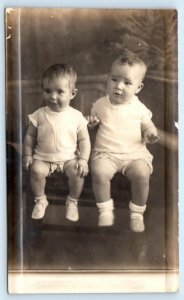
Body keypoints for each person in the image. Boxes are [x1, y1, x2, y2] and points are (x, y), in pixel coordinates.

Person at [87, 49, 159, 232]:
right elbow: (90, 124)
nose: (119, 86)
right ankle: (105, 209)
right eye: (114, 80)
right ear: (108, 79)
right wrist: (92, 124)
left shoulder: (139, 108)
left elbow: (148, 126)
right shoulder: (100, 104)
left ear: (138, 88)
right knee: (98, 171)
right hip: (106, 154)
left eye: (127, 83)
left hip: (133, 155)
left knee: (142, 174)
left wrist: (150, 134)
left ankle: (137, 212)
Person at [23, 63, 91, 221]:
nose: (53, 96)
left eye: (60, 92)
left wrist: (83, 160)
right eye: (48, 91)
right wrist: (28, 155)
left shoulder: (76, 116)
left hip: (68, 158)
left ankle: (72, 201)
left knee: (77, 173)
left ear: (73, 93)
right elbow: (30, 137)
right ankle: (40, 200)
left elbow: (84, 140)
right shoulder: (39, 115)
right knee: (36, 170)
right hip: (43, 157)